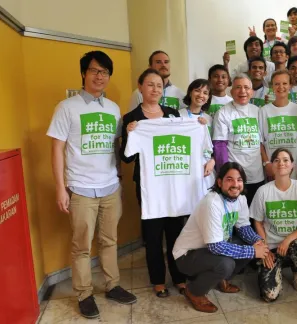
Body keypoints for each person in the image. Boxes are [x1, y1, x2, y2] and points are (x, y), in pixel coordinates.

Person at [47, 51, 136, 319]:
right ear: (84, 73)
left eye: (105, 72)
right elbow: (57, 149)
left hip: (110, 187)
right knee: (82, 246)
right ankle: (84, 293)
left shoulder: (112, 108)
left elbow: (115, 147)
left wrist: (119, 178)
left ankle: (112, 285)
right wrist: (60, 188)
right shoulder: (67, 107)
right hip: (81, 189)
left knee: (110, 241)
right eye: (95, 71)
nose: (100, 76)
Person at [121, 69, 190, 298]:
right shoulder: (131, 118)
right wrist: (131, 134)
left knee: (175, 234)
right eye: (150, 85)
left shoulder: (173, 114)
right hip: (148, 187)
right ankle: (158, 281)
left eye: (159, 85)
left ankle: (179, 277)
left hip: (173, 185)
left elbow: (187, 142)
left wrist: (198, 123)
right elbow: (127, 157)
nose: (155, 89)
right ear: (140, 87)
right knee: (152, 236)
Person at [173, 162, 269, 313]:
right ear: (219, 182)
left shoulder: (241, 199)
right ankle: (193, 291)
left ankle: (220, 280)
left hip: (209, 250)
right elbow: (215, 246)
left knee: (248, 243)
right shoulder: (212, 203)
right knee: (226, 264)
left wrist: (259, 243)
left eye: (239, 180)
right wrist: (253, 251)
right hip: (187, 255)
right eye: (229, 179)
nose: (235, 184)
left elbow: (243, 227)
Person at [251, 148, 297, 301]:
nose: (281, 163)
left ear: (292, 166)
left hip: (292, 244)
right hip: (271, 247)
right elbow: (258, 222)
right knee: (270, 296)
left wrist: (288, 239)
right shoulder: (262, 191)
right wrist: (265, 249)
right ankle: (274, 269)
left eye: (285, 160)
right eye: (276, 160)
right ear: (272, 166)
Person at [213, 75, 265, 206]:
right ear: (231, 92)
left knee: (255, 213)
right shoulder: (223, 113)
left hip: (257, 174)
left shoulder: (258, 111)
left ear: (252, 92)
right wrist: (225, 175)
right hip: (235, 178)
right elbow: (220, 146)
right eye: (238, 87)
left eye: (246, 87)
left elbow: (262, 142)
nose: (243, 91)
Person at [259, 70, 297, 181]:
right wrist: (266, 163)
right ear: (272, 87)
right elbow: (260, 142)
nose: (281, 87)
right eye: (277, 84)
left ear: (290, 86)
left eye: (284, 83)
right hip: (273, 167)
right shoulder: (264, 111)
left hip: (295, 166)